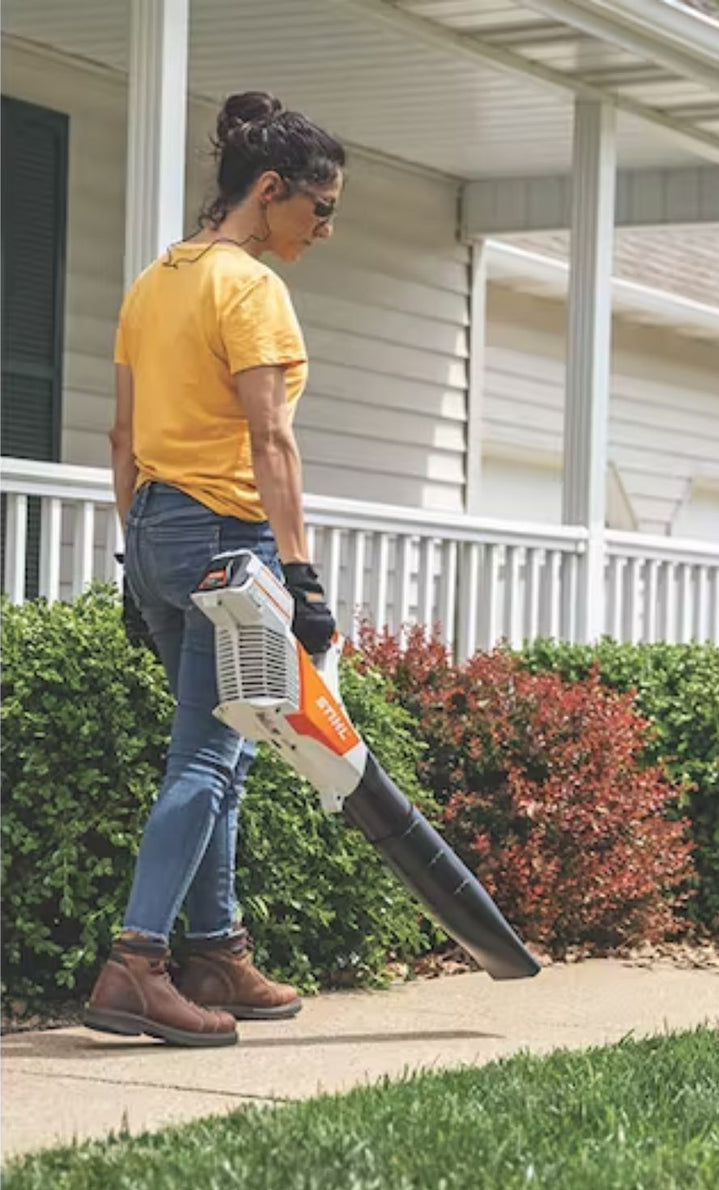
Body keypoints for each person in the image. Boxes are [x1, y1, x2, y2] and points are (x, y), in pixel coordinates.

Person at [83, 92, 345, 1047]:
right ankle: (137, 967)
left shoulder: (155, 281)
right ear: (268, 191)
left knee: (224, 756)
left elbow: (121, 435)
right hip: (226, 543)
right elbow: (271, 439)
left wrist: (135, 554)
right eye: (318, 207)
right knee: (206, 757)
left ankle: (217, 952)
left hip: (151, 532)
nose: (325, 227)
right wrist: (303, 578)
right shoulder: (249, 287)